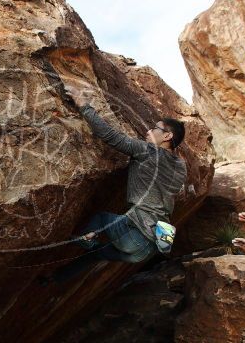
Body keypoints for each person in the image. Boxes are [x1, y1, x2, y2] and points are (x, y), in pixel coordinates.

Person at [37, 80, 187, 285]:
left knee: (100, 219)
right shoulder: (181, 166)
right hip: (149, 249)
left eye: (155, 128)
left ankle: (86, 239)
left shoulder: (147, 151)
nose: (149, 131)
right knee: (97, 254)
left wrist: (82, 103)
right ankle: (53, 279)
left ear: (168, 136)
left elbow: (109, 135)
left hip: (136, 238)